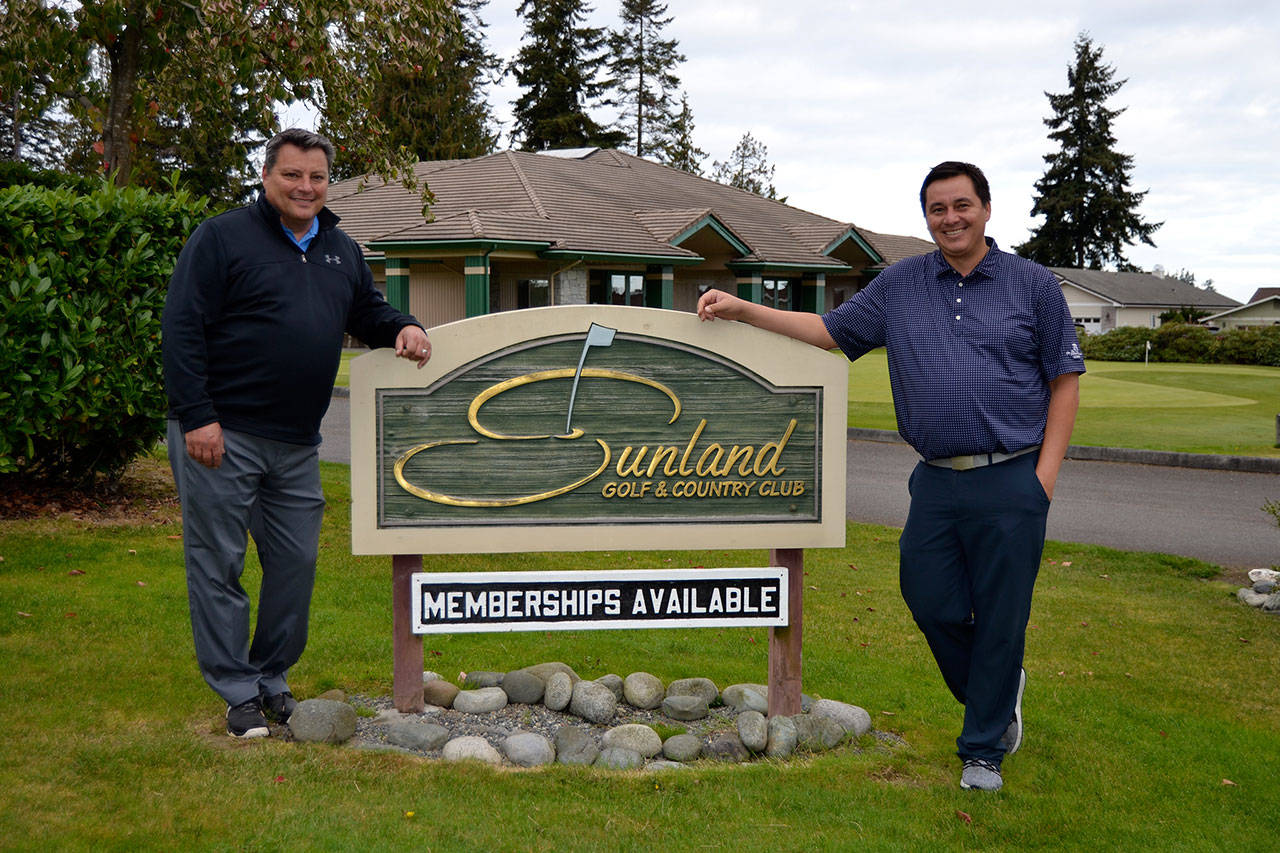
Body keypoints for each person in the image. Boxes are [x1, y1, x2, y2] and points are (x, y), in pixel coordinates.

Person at [697, 161, 1084, 791]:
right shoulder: (899, 285)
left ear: (986, 210)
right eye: (937, 209)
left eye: (962, 205)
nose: (950, 218)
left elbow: (1064, 380)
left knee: (1002, 615)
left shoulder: (1033, 285)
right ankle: (999, 684)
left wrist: (1044, 480)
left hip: (1013, 478)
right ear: (926, 217)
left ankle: (983, 750)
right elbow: (826, 331)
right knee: (928, 598)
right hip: (935, 480)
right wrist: (742, 308)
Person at [162, 128, 432, 738]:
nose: (305, 187)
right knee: (218, 562)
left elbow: (366, 311)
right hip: (221, 434)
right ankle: (237, 691)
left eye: (316, 177)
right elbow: (181, 328)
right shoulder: (222, 238)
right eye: (292, 175)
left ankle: (269, 675)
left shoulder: (341, 248)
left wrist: (403, 327)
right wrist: (197, 415)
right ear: (267, 177)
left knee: (295, 562)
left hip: (297, 443)